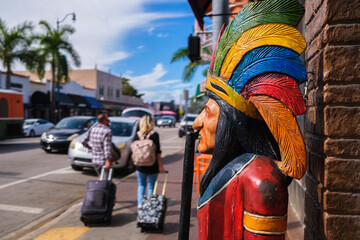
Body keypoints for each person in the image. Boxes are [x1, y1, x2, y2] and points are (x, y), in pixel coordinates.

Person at [191, 0, 307, 239]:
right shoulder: (239, 170)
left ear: (230, 124)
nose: (196, 122)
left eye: (208, 112)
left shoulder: (260, 179)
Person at [134, 115, 165, 208]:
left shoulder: (137, 134)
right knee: (151, 186)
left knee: (141, 185)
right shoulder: (154, 134)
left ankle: (140, 204)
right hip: (152, 165)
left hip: (139, 165)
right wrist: (160, 166)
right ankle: (149, 205)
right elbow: (158, 152)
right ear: (152, 123)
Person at [82, 113, 112, 179]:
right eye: (108, 120)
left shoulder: (92, 129)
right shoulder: (107, 131)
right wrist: (108, 161)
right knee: (105, 181)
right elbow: (107, 147)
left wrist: (90, 148)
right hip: (103, 160)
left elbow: (83, 141)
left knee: (100, 177)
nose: (109, 121)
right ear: (104, 120)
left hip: (95, 159)